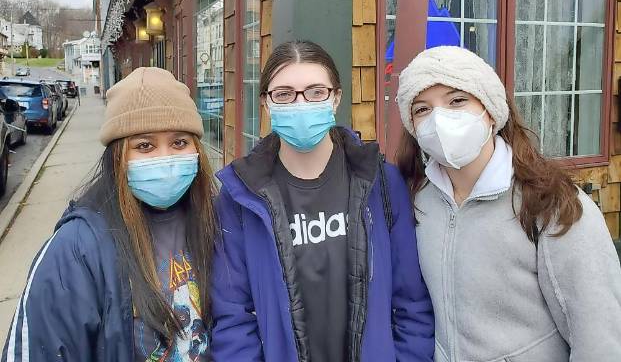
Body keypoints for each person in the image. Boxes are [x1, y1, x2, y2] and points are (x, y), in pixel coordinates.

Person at [211, 40, 434, 361]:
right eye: (284, 94)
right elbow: (233, 315)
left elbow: (411, 302)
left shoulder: (381, 182)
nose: (301, 104)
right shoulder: (240, 196)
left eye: (316, 92)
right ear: (266, 104)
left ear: (336, 98)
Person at [396, 46, 621, 362]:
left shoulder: (551, 203)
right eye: (422, 109)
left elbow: (600, 337)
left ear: (489, 111)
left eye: (457, 100)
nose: (440, 119)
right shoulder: (417, 200)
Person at [2, 67, 217, 361]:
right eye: (144, 145)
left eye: (179, 142)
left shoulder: (218, 222)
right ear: (118, 157)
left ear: (197, 150)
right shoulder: (75, 250)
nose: (165, 158)